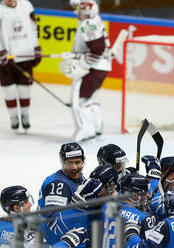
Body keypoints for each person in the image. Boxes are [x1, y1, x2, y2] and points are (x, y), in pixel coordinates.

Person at [59, 0, 111, 142]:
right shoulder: (93, 19)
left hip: (95, 67)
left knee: (81, 100)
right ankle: (97, 127)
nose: (77, 11)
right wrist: (75, 55)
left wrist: (80, 63)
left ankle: (87, 131)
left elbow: (97, 50)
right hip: (101, 66)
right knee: (91, 99)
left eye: (79, 8)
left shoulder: (88, 24)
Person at [0, 0, 41, 131]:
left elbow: (34, 27)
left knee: (24, 89)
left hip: (25, 54)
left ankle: (25, 115)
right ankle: (13, 117)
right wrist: (1, 51)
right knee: (9, 89)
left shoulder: (26, 5)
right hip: (6, 57)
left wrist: (36, 47)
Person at [38, 142, 85, 245]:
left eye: (77, 162)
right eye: (69, 163)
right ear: (62, 162)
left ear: (83, 161)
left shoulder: (79, 178)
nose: (74, 167)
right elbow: (54, 223)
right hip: (56, 242)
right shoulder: (58, 184)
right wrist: (72, 240)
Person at [102, 172, 158, 247]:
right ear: (134, 195)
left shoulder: (105, 207)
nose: (148, 195)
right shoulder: (145, 218)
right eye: (145, 192)